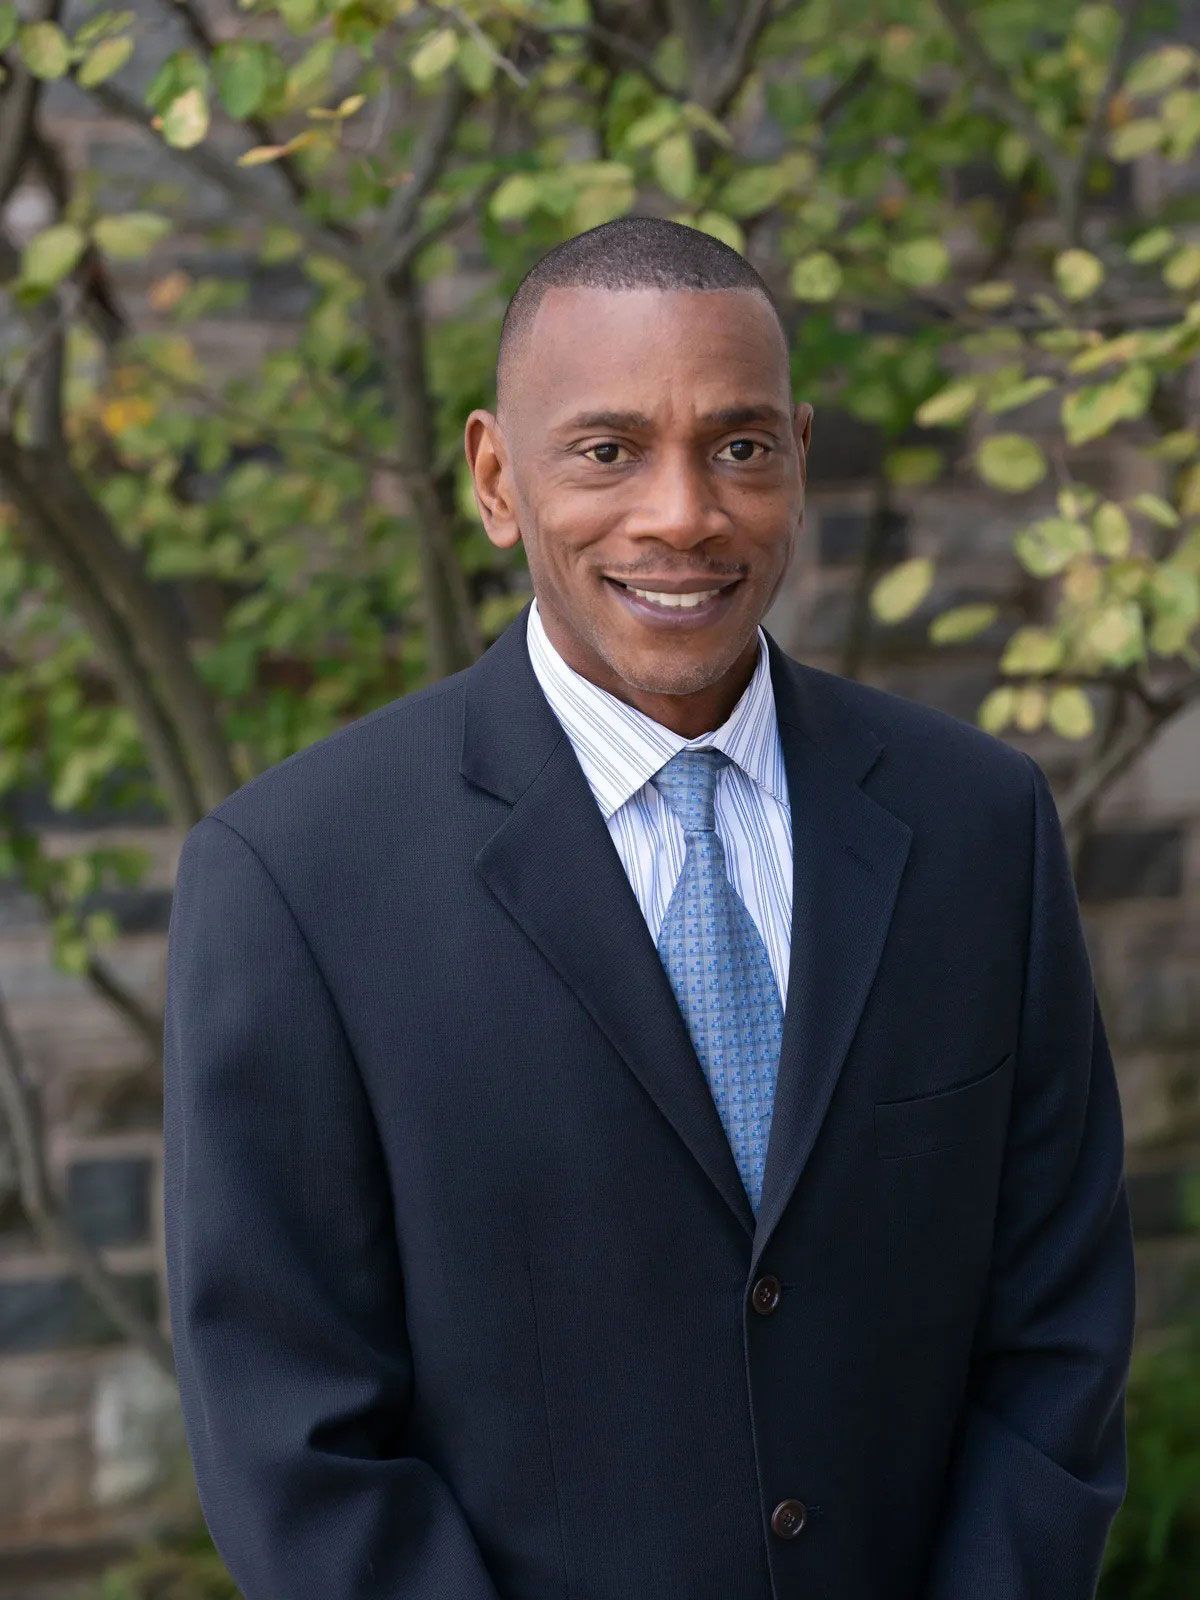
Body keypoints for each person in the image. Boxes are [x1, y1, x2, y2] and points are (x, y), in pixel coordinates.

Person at [162, 216, 1136, 1600]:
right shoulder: (296, 878)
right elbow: (296, 1442)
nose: (683, 512)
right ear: (497, 479)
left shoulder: (978, 826)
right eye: (608, 451)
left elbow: (1057, 1336)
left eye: (740, 447)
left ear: (798, 460)